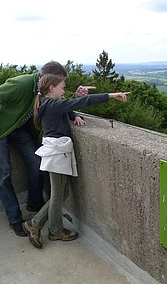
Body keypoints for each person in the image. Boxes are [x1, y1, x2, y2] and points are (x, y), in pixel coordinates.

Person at [0, 61, 94, 237]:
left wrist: (75, 111)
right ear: (47, 78)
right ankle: (15, 219)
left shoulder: (44, 90)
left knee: (37, 164)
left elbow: (57, 104)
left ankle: (35, 204)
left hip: (18, 129)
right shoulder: (22, 84)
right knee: (3, 174)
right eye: (59, 82)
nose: (60, 87)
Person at [22, 74, 129, 249]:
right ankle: (51, 229)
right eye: (62, 87)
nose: (64, 91)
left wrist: (74, 115)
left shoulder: (46, 105)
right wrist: (111, 95)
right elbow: (78, 103)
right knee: (58, 195)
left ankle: (36, 223)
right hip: (57, 154)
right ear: (52, 88)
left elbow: (67, 107)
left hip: (55, 152)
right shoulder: (52, 105)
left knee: (62, 194)